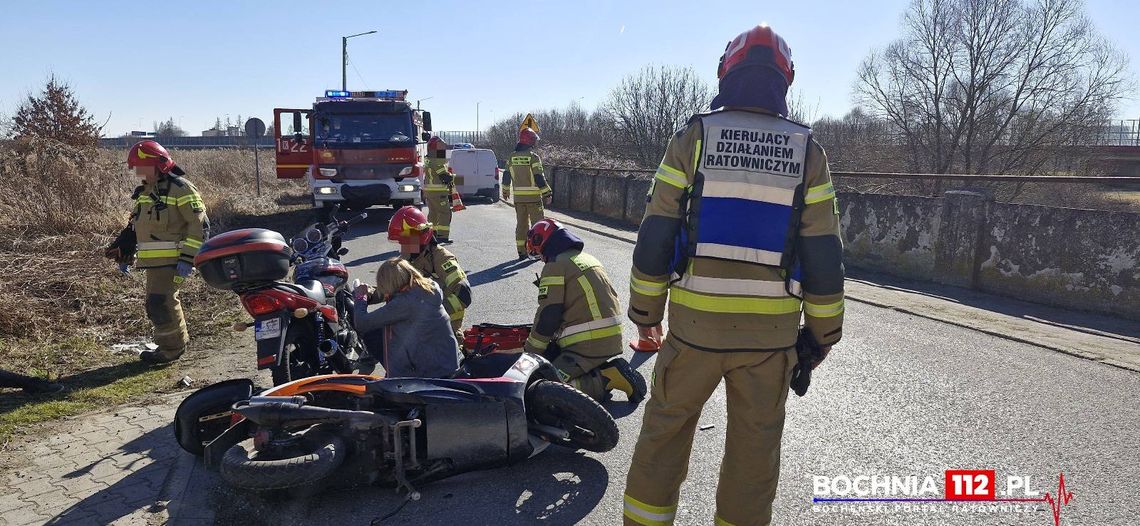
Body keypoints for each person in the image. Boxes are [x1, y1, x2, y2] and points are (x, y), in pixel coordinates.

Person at [622, 24, 845, 526]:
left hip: (694, 333)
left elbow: (656, 234)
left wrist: (645, 314)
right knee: (753, 457)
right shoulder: (808, 151)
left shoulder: (695, 136)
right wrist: (824, 332)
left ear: (728, 72)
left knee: (663, 439)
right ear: (784, 81)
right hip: (769, 343)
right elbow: (824, 251)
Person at [105, 140, 209, 364]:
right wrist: (125, 250)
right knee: (157, 303)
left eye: (141, 168)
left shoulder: (182, 189)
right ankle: (171, 346)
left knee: (160, 303)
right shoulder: (145, 192)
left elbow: (199, 225)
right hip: (154, 262)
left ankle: (171, 350)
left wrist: (189, 259)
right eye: (135, 169)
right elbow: (136, 225)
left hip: (174, 260)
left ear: (158, 166)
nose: (138, 174)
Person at [522, 219, 646, 403]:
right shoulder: (586, 258)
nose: (541, 258)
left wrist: (531, 352)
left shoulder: (555, 265)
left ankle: (606, 379)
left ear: (543, 243)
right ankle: (601, 371)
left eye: (539, 253)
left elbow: (549, 314)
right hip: (607, 338)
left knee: (541, 390)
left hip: (585, 345)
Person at [352, 258, 461, 378]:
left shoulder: (405, 303)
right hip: (447, 363)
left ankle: (398, 380)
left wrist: (360, 297)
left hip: (432, 373)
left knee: (372, 334)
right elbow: (392, 293)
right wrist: (372, 292)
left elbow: (362, 323)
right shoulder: (426, 288)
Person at [387, 206, 472, 337]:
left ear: (421, 237)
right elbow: (391, 285)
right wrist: (366, 294)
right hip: (418, 324)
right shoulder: (410, 258)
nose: (403, 248)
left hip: (445, 326)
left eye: (406, 242)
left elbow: (464, 294)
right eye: (401, 243)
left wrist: (434, 311)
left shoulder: (442, 258)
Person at [501, 127, 552, 259]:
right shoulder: (533, 157)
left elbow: (506, 176)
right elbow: (539, 178)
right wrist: (547, 193)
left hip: (518, 199)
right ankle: (535, 251)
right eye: (534, 140)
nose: (535, 143)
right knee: (537, 226)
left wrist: (505, 191)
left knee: (521, 225)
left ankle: (521, 251)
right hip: (534, 199)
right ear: (529, 141)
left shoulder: (512, 157)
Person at [423, 136, 455, 243]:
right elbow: (445, 177)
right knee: (444, 213)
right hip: (438, 192)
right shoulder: (437, 162)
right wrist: (453, 177)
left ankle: (432, 235)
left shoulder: (428, 160)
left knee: (433, 214)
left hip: (429, 192)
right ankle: (443, 236)